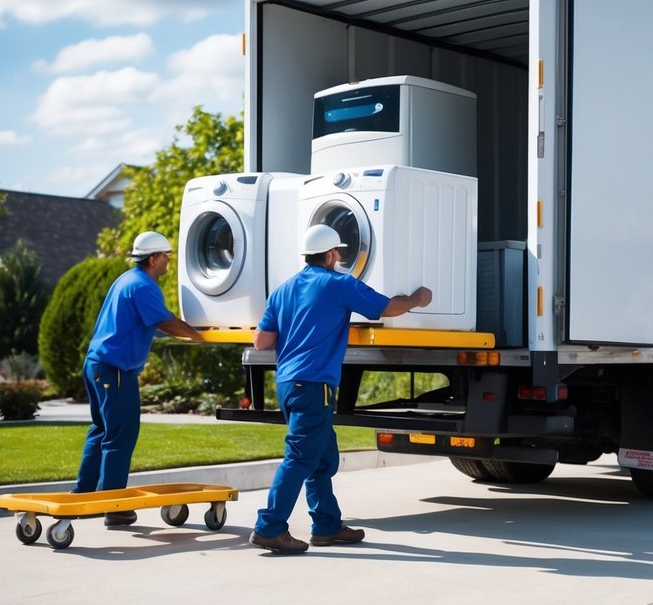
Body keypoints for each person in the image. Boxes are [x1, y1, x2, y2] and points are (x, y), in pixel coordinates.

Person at [249, 224, 432, 554]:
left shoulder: (282, 290)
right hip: (314, 384)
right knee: (300, 458)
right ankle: (269, 527)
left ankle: (327, 526)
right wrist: (418, 299)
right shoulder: (339, 284)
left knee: (321, 457)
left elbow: (261, 341)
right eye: (339, 253)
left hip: (288, 383)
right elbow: (388, 308)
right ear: (331, 255)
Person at [75, 231, 204, 526]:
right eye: (166, 256)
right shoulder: (144, 285)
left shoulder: (127, 280)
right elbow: (165, 323)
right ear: (154, 258)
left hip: (97, 365)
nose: (168, 261)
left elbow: (148, 323)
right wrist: (198, 335)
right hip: (115, 370)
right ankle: (113, 505)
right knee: (121, 435)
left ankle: (83, 493)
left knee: (101, 430)